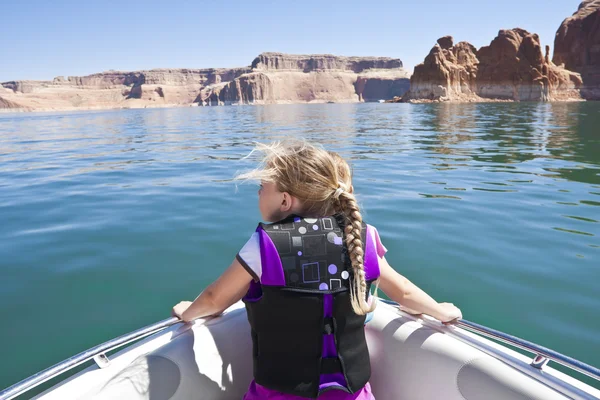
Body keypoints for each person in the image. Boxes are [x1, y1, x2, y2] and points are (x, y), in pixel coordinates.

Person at [172, 140, 462, 400]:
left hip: (279, 394)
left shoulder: (264, 244)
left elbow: (214, 298)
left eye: (263, 187)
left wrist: (188, 312)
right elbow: (404, 291)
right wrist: (439, 310)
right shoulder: (363, 236)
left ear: (285, 200)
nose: (259, 193)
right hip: (352, 393)